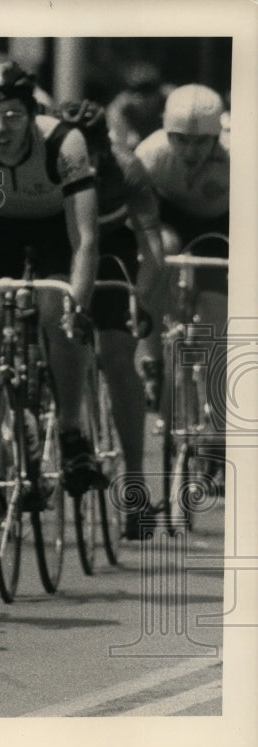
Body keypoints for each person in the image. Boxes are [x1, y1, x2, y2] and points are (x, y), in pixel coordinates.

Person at [0, 61, 104, 509]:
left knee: (58, 318)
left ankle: (72, 433)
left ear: (32, 114)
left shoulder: (63, 141)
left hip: (55, 233)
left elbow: (86, 239)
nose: (0, 127)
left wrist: (79, 301)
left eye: (13, 116)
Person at [56, 99, 165, 539]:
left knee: (118, 360)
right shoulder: (51, 161)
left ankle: (135, 487)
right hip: (62, 249)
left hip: (113, 255)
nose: (90, 163)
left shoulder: (127, 169)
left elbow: (153, 249)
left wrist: (139, 297)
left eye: (96, 154)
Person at [135, 84, 230, 483]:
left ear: (216, 138)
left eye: (200, 143)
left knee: (215, 318)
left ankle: (218, 427)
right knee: (160, 255)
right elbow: (136, 217)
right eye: (181, 140)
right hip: (168, 220)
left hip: (222, 224)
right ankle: (153, 353)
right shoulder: (150, 154)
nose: (190, 152)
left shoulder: (237, 158)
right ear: (166, 134)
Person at [105, 61, 167, 152]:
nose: (144, 99)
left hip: (165, 154)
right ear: (128, 93)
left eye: (149, 90)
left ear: (158, 91)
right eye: (137, 91)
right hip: (133, 156)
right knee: (132, 141)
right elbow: (116, 148)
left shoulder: (170, 100)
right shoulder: (119, 109)